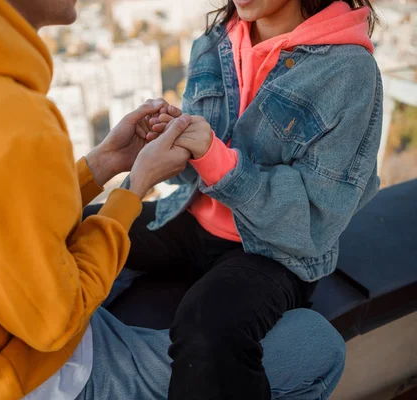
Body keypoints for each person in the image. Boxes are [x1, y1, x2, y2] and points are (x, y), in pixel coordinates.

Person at [0, 0, 345, 399]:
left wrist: (103, 164)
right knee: (316, 347)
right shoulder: (4, 122)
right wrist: (134, 188)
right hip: (26, 376)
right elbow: (55, 321)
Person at [93, 0, 382, 399]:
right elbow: (194, 168)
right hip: (191, 218)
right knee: (80, 228)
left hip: (273, 251)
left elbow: (316, 220)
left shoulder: (349, 70)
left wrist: (219, 161)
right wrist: (169, 140)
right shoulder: (216, 41)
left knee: (207, 324)